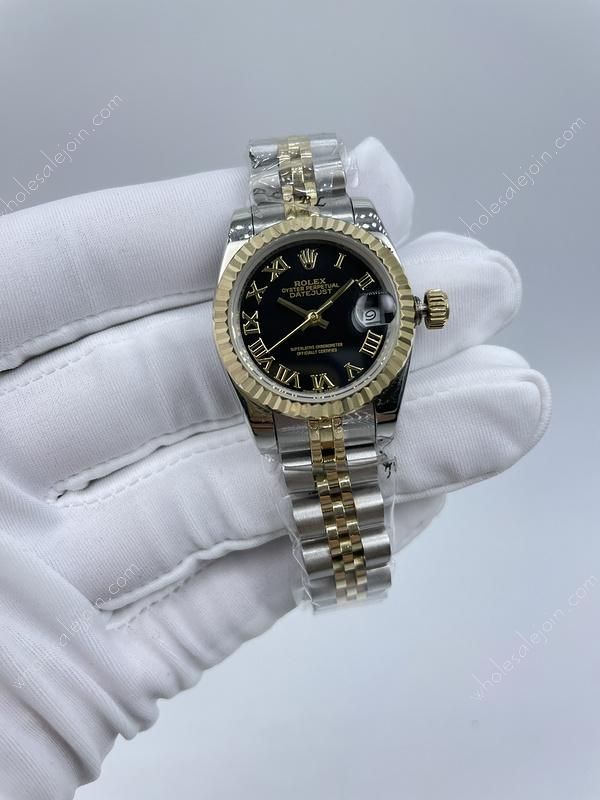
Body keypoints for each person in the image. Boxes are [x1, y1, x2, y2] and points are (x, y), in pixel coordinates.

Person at [0, 138, 550, 799]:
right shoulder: (259, 308)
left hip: (341, 388)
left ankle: (346, 567)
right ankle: (345, 567)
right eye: (304, 314)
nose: (315, 317)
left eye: (324, 312)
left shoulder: (354, 306)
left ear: (418, 311)